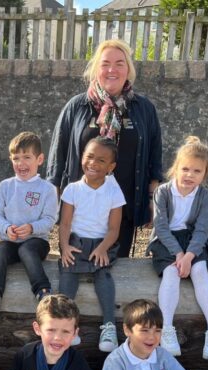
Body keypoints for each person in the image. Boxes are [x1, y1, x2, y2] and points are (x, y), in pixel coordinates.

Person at [48, 38, 162, 257]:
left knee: (114, 270)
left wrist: (151, 201)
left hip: (122, 208)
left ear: (128, 69)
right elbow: (58, 157)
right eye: (105, 63)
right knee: (77, 267)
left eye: (120, 63)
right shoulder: (77, 106)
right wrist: (54, 203)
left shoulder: (144, 108)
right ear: (95, 69)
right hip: (81, 210)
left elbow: (154, 158)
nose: (112, 69)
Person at [147, 136, 208, 361]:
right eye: (186, 169)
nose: (190, 175)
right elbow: (160, 227)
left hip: (191, 240)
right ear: (176, 168)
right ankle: (167, 328)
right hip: (166, 240)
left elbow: (201, 230)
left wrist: (189, 255)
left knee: (200, 272)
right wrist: (178, 255)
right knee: (171, 272)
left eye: (197, 171)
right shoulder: (163, 192)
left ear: (205, 173)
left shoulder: (205, 197)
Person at [0, 132, 58, 319]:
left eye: (27, 157)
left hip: (36, 241)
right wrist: (5, 228)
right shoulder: (5, 186)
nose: (21, 163)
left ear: (40, 159)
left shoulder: (47, 189)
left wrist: (31, 228)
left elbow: (50, 219)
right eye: (16, 158)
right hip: (10, 240)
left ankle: (43, 293)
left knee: (27, 250)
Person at [58, 137, 125, 353]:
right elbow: (65, 224)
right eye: (89, 157)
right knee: (68, 272)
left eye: (101, 160)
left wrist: (103, 247)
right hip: (76, 242)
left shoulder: (114, 192)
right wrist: (65, 247)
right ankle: (66, 324)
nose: (93, 163)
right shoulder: (72, 189)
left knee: (102, 273)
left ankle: (108, 325)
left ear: (111, 167)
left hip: (101, 243)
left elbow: (114, 229)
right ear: (82, 158)